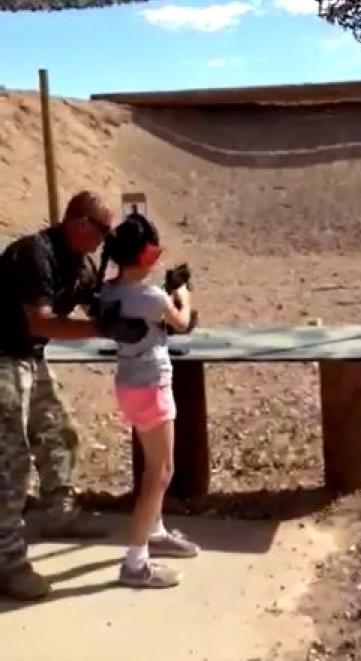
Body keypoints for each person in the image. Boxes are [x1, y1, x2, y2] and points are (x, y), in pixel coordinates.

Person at [0, 191, 148, 601]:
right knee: (10, 463)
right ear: (79, 223)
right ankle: (7, 561)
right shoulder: (35, 254)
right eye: (101, 230)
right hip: (4, 355)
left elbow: (96, 303)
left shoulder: (78, 264)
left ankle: (59, 511)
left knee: (58, 431)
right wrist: (104, 331)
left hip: (26, 356)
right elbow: (40, 321)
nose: (104, 239)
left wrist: (147, 296)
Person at [100, 214, 200, 589]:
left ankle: (154, 531)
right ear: (144, 255)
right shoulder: (154, 297)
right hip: (152, 387)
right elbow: (181, 322)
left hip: (129, 386)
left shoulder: (110, 292)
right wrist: (184, 292)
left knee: (154, 469)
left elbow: (134, 297)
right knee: (160, 473)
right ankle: (135, 561)